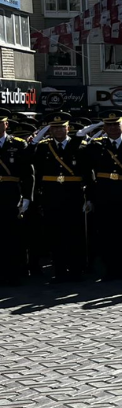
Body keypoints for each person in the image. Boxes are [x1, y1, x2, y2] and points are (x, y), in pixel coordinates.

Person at [80, 110, 122, 280]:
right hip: (103, 194)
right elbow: (87, 172)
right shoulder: (96, 145)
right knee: (106, 233)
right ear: (104, 127)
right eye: (108, 125)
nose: (112, 128)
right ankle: (110, 269)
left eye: (115, 124)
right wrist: (89, 197)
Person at [32, 112, 90, 282]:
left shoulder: (80, 145)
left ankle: (76, 270)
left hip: (74, 194)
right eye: (54, 128)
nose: (58, 131)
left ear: (68, 128)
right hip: (52, 195)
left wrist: (89, 195)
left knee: (75, 233)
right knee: (55, 234)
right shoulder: (43, 147)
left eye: (61, 127)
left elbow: (87, 171)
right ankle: (59, 271)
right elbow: (33, 164)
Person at [0, 109, 34, 286]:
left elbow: (28, 174)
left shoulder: (19, 144)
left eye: (0, 123)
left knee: (13, 236)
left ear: (6, 124)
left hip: (11, 194)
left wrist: (27, 197)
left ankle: (14, 273)